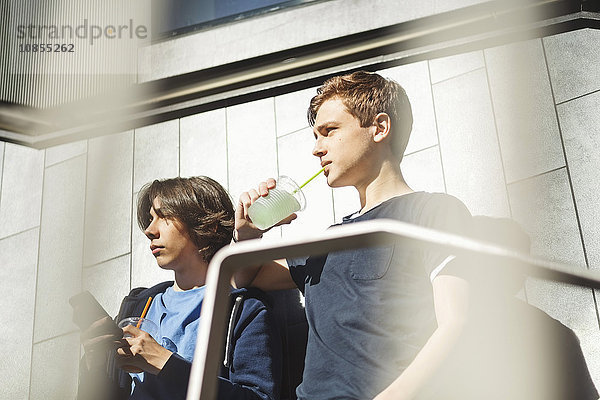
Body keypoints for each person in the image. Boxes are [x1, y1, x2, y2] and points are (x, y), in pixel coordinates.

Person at [233, 71, 475, 399]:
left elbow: (458, 324)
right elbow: (246, 279)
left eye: (329, 131)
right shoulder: (329, 240)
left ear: (380, 127)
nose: (317, 149)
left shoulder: (431, 212)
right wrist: (248, 233)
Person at [77, 176, 282, 400]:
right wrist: (94, 366)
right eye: (149, 218)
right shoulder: (138, 305)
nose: (149, 230)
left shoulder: (244, 310)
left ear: (208, 225)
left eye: (163, 216)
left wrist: (163, 361)